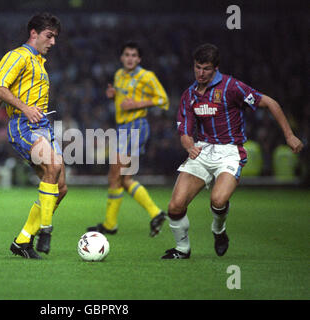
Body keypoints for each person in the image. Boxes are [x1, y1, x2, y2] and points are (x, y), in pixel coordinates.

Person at [162, 43, 303, 259]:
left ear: (216, 68)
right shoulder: (189, 95)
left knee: (218, 201)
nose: (201, 72)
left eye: (206, 68)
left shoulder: (231, 87)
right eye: (198, 67)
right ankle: (182, 250)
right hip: (203, 150)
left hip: (230, 152)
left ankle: (219, 231)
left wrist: (289, 135)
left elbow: (271, 103)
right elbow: (185, 132)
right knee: (175, 206)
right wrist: (189, 146)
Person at [0, 12, 67, 259]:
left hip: (43, 126)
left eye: (55, 37)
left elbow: (0, 92)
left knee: (60, 187)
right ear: (34, 33)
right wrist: (23, 108)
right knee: (54, 164)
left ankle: (22, 241)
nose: (53, 42)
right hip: (23, 125)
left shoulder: (38, 61)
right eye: (49, 36)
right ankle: (46, 229)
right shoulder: (18, 56)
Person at [87, 41, 170, 237]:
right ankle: (155, 213)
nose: (130, 58)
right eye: (127, 54)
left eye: (134, 55)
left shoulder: (146, 76)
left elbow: (163, 100)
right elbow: (122, 100)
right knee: (124, 179)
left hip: (136, 126)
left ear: (139, 59)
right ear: (121, 57)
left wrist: (137, 104)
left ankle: (110, 225)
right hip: (124, 128)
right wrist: (112, 96)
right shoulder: (118, 75)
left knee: (114, 176)